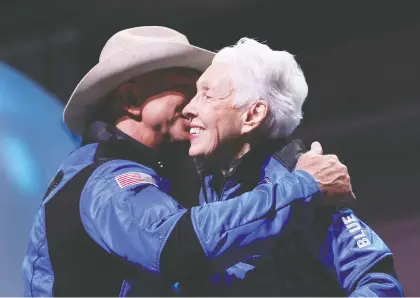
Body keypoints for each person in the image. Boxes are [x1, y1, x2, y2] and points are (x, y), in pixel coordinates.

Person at [22, 27, 355, 297]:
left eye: (204, 94)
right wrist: (307, 186)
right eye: (185, 90)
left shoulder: (151, 176)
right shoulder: (107, 181)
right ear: (133, 100)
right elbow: (176, 246)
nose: (195, 105)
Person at [181, 37, 404, 297]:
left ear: (252, 115)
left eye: (206, 95)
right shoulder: (210, 180)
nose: (188, 108)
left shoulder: (307, 182)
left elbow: (379, 281)